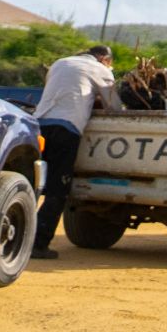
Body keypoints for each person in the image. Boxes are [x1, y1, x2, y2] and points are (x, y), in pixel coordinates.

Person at [31, 44, 119, 259]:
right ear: (104, 59)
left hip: (38, 126)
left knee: (30, 185)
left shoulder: (60, 63)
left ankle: (15, 239)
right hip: (65, 129)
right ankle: (38, 244)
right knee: (57, 190)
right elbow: (114, 107)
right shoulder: (101, 70)